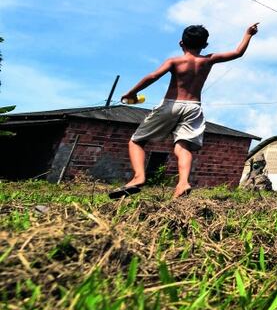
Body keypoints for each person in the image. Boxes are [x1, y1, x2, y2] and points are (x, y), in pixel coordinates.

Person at [109, 22, 259, 199]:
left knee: (137, 141)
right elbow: (237, 53)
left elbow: (153, 76)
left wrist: (132, 92)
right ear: (205, 45)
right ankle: (183, 183)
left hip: (171, 104)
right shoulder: (208, 60)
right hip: (193, 107)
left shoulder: (174, 61)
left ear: (181, 43)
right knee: (183, 145)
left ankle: (139, 177)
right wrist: (248, 34)